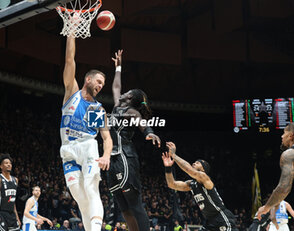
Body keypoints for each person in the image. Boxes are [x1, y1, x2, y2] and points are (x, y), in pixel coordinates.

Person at [60, 34, 113, 231]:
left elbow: (106, 138)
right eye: (98, 81)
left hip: (88, 146)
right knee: (79, 196)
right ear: (88, 79)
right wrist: (72, 32)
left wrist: (106, 155)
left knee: (91, 188)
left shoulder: (97, 109)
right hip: (68, 149)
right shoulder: (71, 93)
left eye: (102, 85)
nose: (100, 86)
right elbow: (69, 60)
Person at [107, 50, 161, 231]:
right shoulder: (117, 106)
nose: (124, 93)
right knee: (124, 208)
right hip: (112, 159)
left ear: (131, 99)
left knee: (134, 204)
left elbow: (142, 124)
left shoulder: (132, 113)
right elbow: (115, 87)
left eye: (128, 93)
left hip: (125, 158)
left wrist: (150, 132)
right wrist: (118, 67)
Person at [162, 142, 238, 231]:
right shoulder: (192, 184)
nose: (194, 163)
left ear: (203, 169)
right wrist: (168, 168)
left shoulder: (205, 178)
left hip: (221, 217)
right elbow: (172, 184)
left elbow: (189, 170)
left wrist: (173, 155)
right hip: (210, 222)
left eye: (197, 163)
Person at [257, 123, 294, 219]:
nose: (282, 136)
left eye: (284, 133)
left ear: (290, 136)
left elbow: (284, 187)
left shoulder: (289, 154)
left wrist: (266, 207)